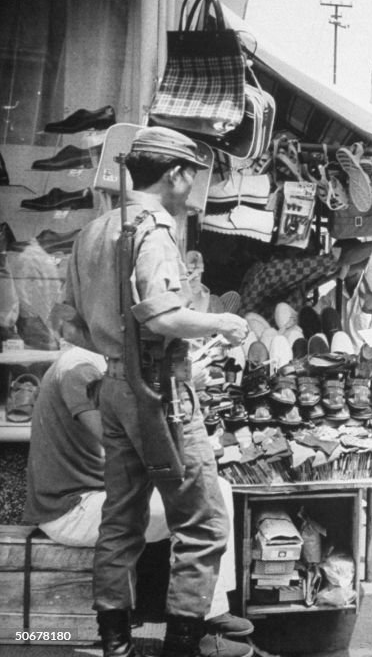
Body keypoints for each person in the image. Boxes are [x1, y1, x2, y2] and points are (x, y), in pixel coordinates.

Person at [59, 127, 250, 657]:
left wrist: (114, 348)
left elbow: (67, 324)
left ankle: (115, 645)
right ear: (176, 174)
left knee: (120, 520)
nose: (193, 186)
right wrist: (224, 325)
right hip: (159, 389)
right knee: (205, 521)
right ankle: (180, 647)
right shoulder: (155, 227)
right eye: (193, 174)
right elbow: (164, 315)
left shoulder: (94, 231)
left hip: (116, 387)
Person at [22, 347, 251, 657]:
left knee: (212, 491)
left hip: (88, 494)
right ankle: (204, 621)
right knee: (208, 504)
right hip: (71, 507)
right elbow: (117, 442)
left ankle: (211, 609)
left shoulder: (91, 365)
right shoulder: (79, 370)